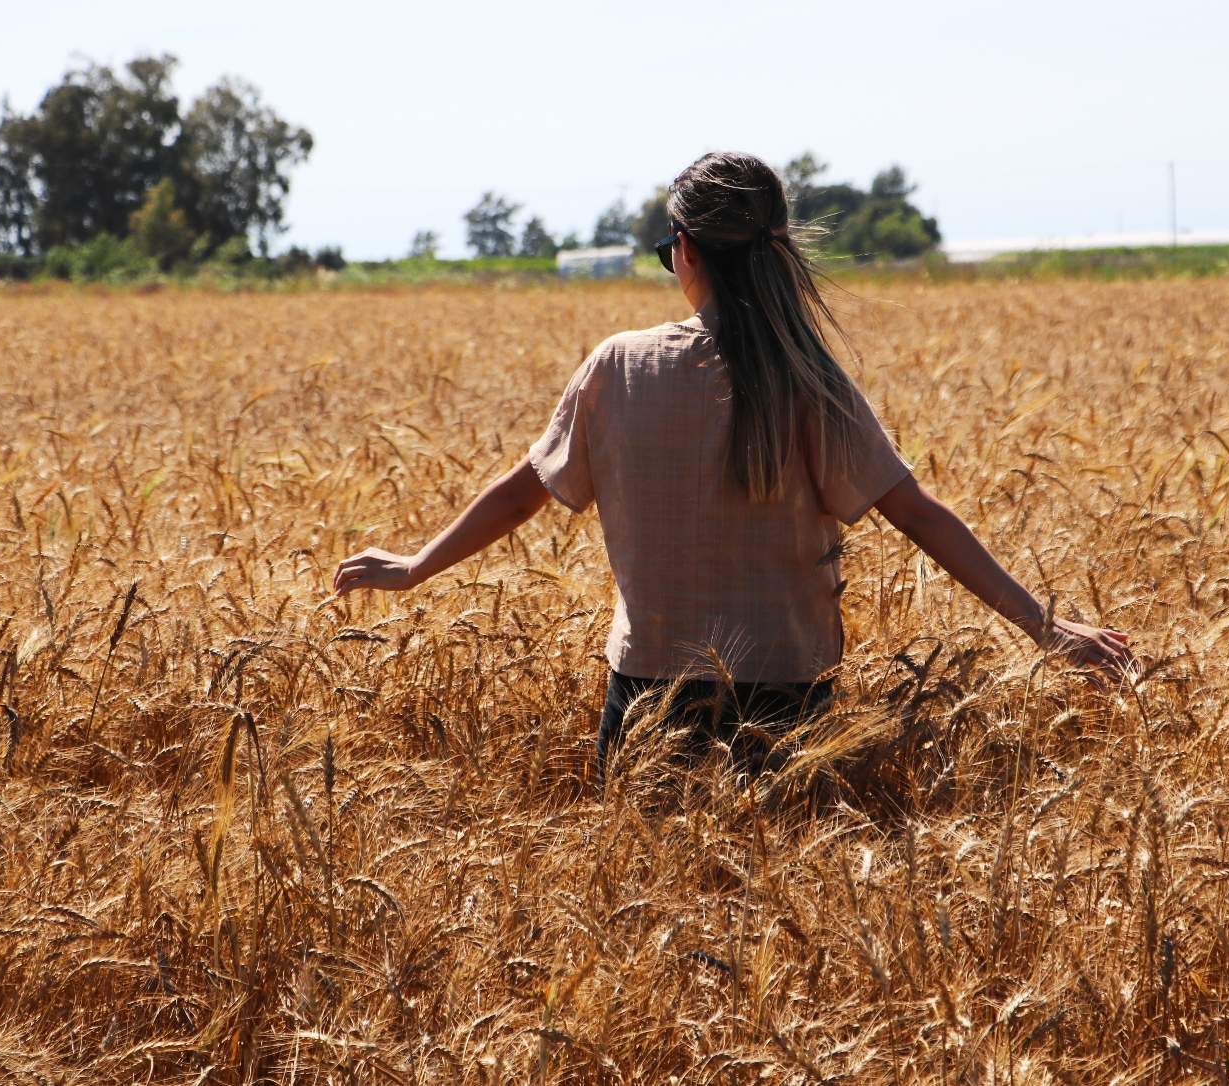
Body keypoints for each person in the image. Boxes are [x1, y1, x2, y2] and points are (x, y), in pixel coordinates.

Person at [334, 151, 1136, 773]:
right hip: (786, 703)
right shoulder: (808, 377)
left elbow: (522, 492)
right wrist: (1047, 628)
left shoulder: (618, 366)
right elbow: (917, 513)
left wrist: (416, 566)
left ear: (684, 249)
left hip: (647, 696)